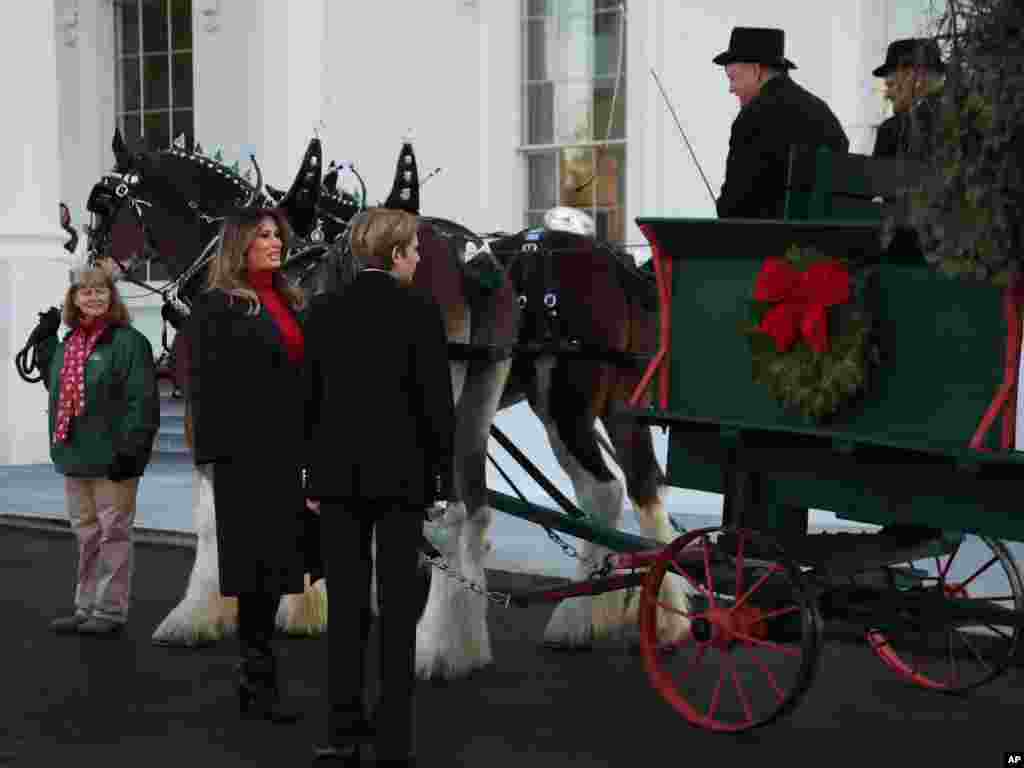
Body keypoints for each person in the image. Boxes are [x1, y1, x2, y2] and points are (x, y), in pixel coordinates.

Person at [304, 208, 455, 767]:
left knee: (344, 608)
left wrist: (309, 476)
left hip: (338, 482)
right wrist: (441, 481)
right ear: (394, 254)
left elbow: (308, 401)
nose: (418, 258)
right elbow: (437, 406)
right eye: (414, 249)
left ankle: (342, 731)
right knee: (397, 612)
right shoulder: (420, 310)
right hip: (403, 482)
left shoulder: (322, 309)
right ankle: (395, 738)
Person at [186, 207, 310, 723]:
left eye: (277, 235)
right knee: (256, 571)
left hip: (289, 454)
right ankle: (256, 680)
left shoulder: (288, 299)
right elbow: (203, 388)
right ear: (239, 243)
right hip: (245, 457)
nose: (275, 242)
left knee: (279, 567)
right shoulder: (216, 306)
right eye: (263, 235)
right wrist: (213, 460)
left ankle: (259, 678)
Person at [36, 265, 159, 635]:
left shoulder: (129, 342)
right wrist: (44, 348)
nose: (93, 296)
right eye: (84, 291)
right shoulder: (68, 344)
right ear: (73, 299)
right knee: (87, 535)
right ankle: (85, 605)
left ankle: (109, 610)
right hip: (75, 455)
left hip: (113, 458)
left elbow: (142, 401)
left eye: (100, 290)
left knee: (113, 535)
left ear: (112, 295)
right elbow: (61, 396)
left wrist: (133, 449)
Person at [714, 27, 850, 219]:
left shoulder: (752, 117)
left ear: (756, 70)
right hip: (826, 244)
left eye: (733, 78)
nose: (731, 88)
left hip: (770, 243)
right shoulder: (824, 112)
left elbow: (733, 208)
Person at [872, 38, 945, 158]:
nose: (887, 95)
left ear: (915, 77)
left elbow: (876, 176)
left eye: (891, 84)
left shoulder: (893, 130)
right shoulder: (967, 116)